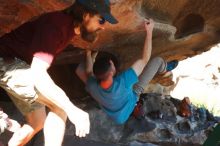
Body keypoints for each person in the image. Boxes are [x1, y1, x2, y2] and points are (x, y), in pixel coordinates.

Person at [0, 0, 118, 145]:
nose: (103, 27)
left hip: (17, 64)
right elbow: (38, 72)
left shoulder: (67, 28)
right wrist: (73, 110)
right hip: (5, 60)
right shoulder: (56, 26)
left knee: (37, 122)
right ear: (86, 15)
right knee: (61, 107)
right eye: (101, 20)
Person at [76, 19, 178, 124]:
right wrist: (149, 31)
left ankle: (90, 57)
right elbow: (144, 60)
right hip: (132, 97)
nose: (112, 63)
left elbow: (88, 72)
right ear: (111, 72)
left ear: (97, 75)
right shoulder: (123, 81)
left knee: (81, 71)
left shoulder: (93, 87)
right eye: (111, 64)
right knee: (158, 61)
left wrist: (88, 52)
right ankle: (164, 70)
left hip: (118, 116)